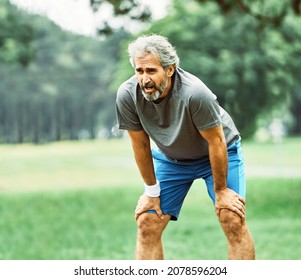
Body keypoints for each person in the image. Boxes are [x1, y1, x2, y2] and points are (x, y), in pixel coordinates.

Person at [115, 34, 255, 260]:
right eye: (139, 71)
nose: (144, 79)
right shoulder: (127, 95)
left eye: (151, 71)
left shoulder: (195, 93)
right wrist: (152, 191)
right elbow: (140, 144)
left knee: (232, 217)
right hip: (172, 159)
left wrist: (221, 191)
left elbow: (216, 141)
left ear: (170, 69)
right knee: (147, 221)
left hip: (218, 154)